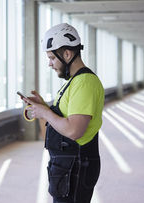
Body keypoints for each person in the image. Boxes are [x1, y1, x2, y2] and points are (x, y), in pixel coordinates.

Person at [22, 23, 105, 203]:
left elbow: (74, 130)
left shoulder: (84, 83)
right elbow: (64, 119)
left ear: (67, 54)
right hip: (67, 167)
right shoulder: (74, 82)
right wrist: (43, 107)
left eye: (52, 58)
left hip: (76, 167)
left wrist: (45, 111)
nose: (50, 64)